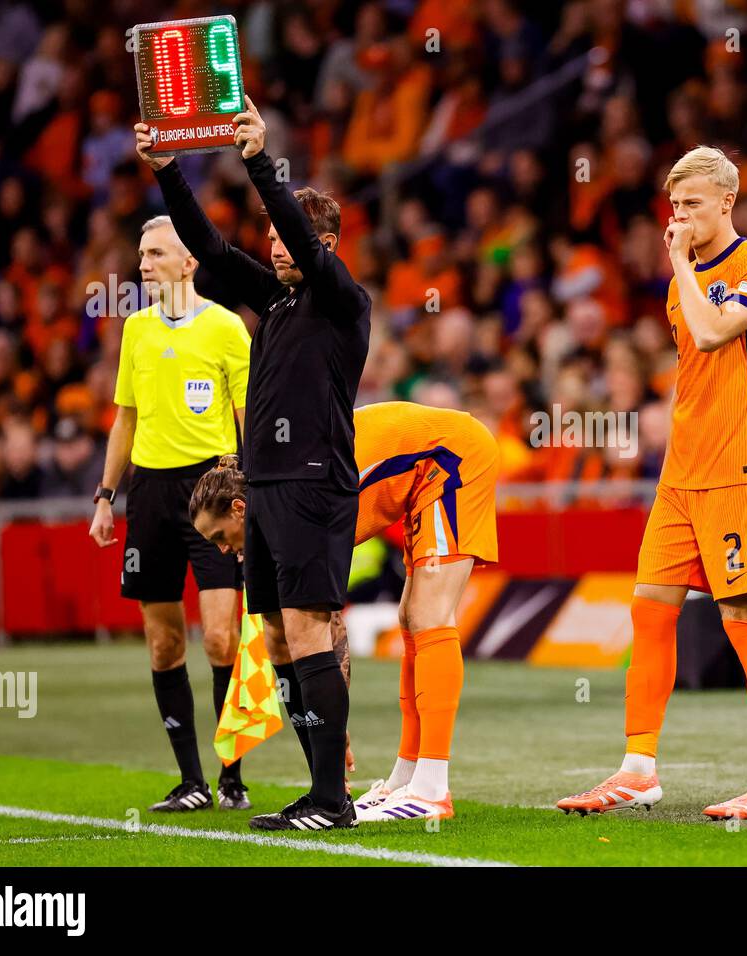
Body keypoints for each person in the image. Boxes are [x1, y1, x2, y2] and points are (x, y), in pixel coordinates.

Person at [137, 96, 372, 831]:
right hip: (265, 487)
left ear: (325, 243)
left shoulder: (343, 301)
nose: (275, 245)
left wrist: (257, 161)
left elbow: (300, 241)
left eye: (289, 235)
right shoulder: (273, 304)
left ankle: (333, 799)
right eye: (269, 234)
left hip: (311, 485)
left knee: (305, 633)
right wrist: (171, 171)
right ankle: (316, 789)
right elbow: (209, 251)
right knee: (274, 637)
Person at [556, 146, 747, 820]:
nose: (680, 218)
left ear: (727, 201)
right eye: (675, 207)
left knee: (746, 620)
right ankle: (638, 769)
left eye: (692, 204)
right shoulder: (682, 283)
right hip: (682, 474)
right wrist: (682, 270)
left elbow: (714, 332)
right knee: (649, 611)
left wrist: (678, 263)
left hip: (740, 468)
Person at [188, 401, 499, 822]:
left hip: (451, 457)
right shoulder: (279, 499)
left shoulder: (294, 508)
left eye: (219, 536)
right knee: (410, 618)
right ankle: (407, 777)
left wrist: (331, 724)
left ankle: (432, 787)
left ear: (239, 509)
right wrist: (330, 725)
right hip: (421, 474)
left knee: (430, 616)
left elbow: (325, 622)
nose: (223, 550)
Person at [88, 216, 251, 812]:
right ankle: (192, 783)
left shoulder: (228, 328)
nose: (144, 263)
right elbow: (124, 419)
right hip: (150, 494)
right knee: (163, 646)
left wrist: (248, 491)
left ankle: (232, 773)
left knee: (219, 636)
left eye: (156, 253)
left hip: (210, 490)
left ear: (190, 263)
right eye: (140, 254)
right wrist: (105, 497)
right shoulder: (135, 329)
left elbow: (246, 414)